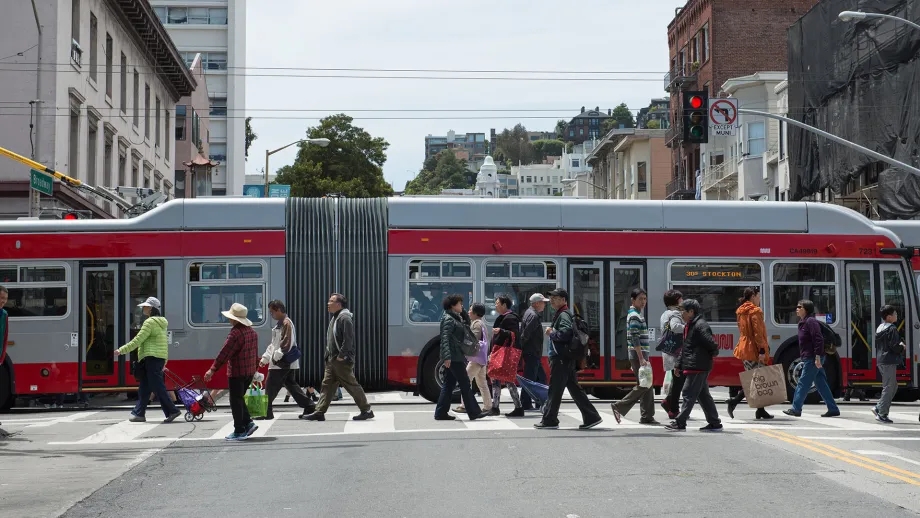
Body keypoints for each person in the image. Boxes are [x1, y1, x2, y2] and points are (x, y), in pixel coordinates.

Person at [535, 288, 602, 430]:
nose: (552, 300)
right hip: (565, 358)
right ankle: (592, 417)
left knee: (555, 389)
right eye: (552, 297)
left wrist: (552, 333)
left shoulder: (564, 315)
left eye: (556, 297)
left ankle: (550, 419)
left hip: (561, 358)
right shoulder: (562, 313)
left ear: (563, 300)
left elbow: (566, 333)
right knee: (574, 388)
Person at [302, 293, 375, 422]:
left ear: (338, 304)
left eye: (331, 301)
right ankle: (319, 411)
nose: (328, 303)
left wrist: (341, 356)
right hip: (332, 360)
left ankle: (366, 410)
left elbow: (348, 340)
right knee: (327, 386)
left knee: (351, 385)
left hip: (341, 361)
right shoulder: (336, 317)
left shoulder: (345, 318)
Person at [114, 297, 180, 424]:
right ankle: (138, 413)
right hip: (157, 358)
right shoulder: (162, 323)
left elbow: (138, 340)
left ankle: (172, 410)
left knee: (157, 386)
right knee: (144, 387)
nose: (143, 308)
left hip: (150, 358)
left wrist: (121, 350)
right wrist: (164, 361)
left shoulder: (149, 322)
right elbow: (163, 344)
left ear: (150, 308)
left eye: (145, 306)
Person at [204, 303, 261, 441]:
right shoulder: (252, 332)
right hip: (249, 371)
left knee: (235, 401)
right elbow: (255, 354)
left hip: (237, 372)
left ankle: (239, 430)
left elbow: (224, 353)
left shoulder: (235, 333)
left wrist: (212, 369)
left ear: (234, 319)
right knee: (239, 398)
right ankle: (248, 423)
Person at [665, 299, 723, 432]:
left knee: (688, 393)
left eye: (683, 311)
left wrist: (706, 356)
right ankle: (714, 422)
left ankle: (680, 422)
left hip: (697, 365)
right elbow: (686, 347)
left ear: (691, 312)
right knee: (703, 395)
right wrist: (678, 365)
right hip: (695, 364)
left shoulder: (700, 325)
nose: (681, 314)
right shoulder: (690, 325)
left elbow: (712, 344)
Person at [257, 300, 315, 420]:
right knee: (292, 386)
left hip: (281, 363)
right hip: (285, 363)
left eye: (272, 312)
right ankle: (309, 406)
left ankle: (266, 412)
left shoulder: (286, 323)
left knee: (270, 386)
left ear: (278, 310)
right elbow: (273, 344)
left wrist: (274, 358)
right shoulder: (281, 324)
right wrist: (266, 357)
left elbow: (286, 344)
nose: (271, 315)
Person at [434, 294, 488, 421]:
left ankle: (441, 413)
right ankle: (474, 412)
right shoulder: (448, 319)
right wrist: (446, 357)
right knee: (464, 383)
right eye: (459, 304)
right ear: (453, 306)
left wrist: (462, 311)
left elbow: (467, 324)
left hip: (456, 355)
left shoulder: (455, 318)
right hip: (453, 357)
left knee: (449, 384)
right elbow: (445, 339)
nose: (462, 306)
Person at [783, 299, 840, 418]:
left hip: (813, 358)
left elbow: (818, 339)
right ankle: (833, 408)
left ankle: (796, 408)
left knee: (803, 383)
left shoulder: (811, 322)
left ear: (806, 309)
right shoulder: (803, 322)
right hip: (809, 357)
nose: (797, 309)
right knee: (821, 383)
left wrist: (818, 357)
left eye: (800, 307)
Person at [726, 287, 774, 420]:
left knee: (756, 379)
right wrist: (762, 350)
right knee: (756, 380)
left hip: (743, 347)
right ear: (753, 296)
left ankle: (760, 410)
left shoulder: (740, 311)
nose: (759, 300)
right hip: (754, 349)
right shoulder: (755, 311)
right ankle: (734, 401)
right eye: (758, 297)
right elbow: (758, 333)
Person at [611, 288, 657, 425]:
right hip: (639, 355)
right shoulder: (634, 316)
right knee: (644, 384)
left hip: (640, 355)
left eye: (645, 299)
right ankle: (619, 406)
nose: (643, 302)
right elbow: (635, 337)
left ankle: (647, 416)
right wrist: (641, 357)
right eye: (640, 299)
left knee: (646, 384)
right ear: (633, 300)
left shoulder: (636, 314)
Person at [454, 302, 492, 415]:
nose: (469, 312)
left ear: (475, 313)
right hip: (481, 359)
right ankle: (488, 406)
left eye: (470, 310)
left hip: (475, 359)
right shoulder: (482, 323)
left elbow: (473, 339)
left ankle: (464, 405)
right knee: (482, 383)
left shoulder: (476, 324)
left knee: (465, 380)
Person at [873, 304, 905, 423]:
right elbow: (894, 347)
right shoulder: (892, 329)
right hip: (889, 361)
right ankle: (882, 414)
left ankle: (878, 407)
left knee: (893, 385)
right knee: (889, 387)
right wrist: (902, 347)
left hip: (881, 359)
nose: (897, 316)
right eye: (895, 314)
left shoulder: (880, 327)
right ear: (889, 317)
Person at [518, 293, 549, 412]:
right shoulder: (533, 316)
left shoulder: (528, 313)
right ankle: (527, 402)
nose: (544, 305)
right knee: (531, 378)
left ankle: (538, 402)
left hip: (531, 352)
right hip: (532, 352)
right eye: (543, 303)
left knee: (538, 377)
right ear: (536, 303)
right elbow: (526, 334)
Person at [658, 290, 685, 420]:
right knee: (679, 379)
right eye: (681, 299)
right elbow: (675, 327)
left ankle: (669, 402)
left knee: (677, 380)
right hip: (676, 351)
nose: (683, 301)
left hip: (668, 350)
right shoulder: (675, 313)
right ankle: (673, 408)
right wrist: (688, 327)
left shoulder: (664, 314)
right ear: (676, 301)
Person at [0, 286, 9, 436]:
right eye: (1, 298)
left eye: (5, 299)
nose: (3, 301)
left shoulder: (4, 314)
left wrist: (2, 358)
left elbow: (5, 336)